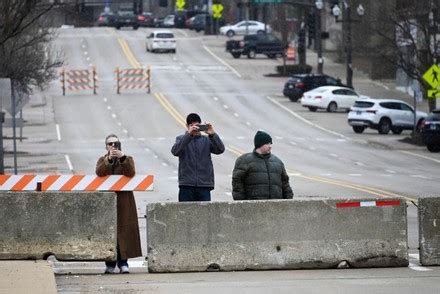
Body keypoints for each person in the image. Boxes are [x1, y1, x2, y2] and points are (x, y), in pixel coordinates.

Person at [96, 134, 142, 274]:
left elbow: (130, 172)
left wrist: (122, 157)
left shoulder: (127, 159)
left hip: (124, 201)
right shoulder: (102, 160)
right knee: (109, 232)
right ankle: (110, 263)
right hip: (108, 202)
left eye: (116, 143)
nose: (113, 146)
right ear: (106, 146)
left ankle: (123, 263)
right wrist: (108, 159)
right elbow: (99, 172)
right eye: (110, 144)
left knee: (124, 232)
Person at [171, 113, 225, 202]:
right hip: (186, 185)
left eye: (196, 125)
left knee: (204, 214)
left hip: (204, 185)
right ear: (187, 126)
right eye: (191, 125)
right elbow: (175, 151)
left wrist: (213, 134)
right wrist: (189, 135)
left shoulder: (206, 140)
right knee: (185, 213)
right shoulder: (181, 139)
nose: (194, 128)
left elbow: (220, 149)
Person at [232, 130, 293, 200]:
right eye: (267, 144)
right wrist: (241, 203)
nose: (270, 146)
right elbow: (237, 183)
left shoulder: (278, 162)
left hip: (276, 207)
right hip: (253, 207)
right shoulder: (244, 161)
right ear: (260, 144)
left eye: (270, 143)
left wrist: (288, 201)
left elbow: (285, 184)